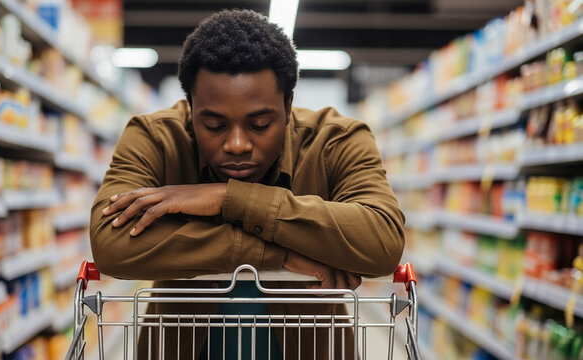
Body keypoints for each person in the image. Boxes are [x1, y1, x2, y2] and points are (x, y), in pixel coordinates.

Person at [90, 9, 405, 359]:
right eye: (213, 125)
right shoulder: (155, 137)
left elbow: (383, 241)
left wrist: (228, 198)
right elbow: (110, 243)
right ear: (190, 108)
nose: (237, 145)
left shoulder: (337, 140)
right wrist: (280, 255)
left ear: (288, 105)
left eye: (259, 124)